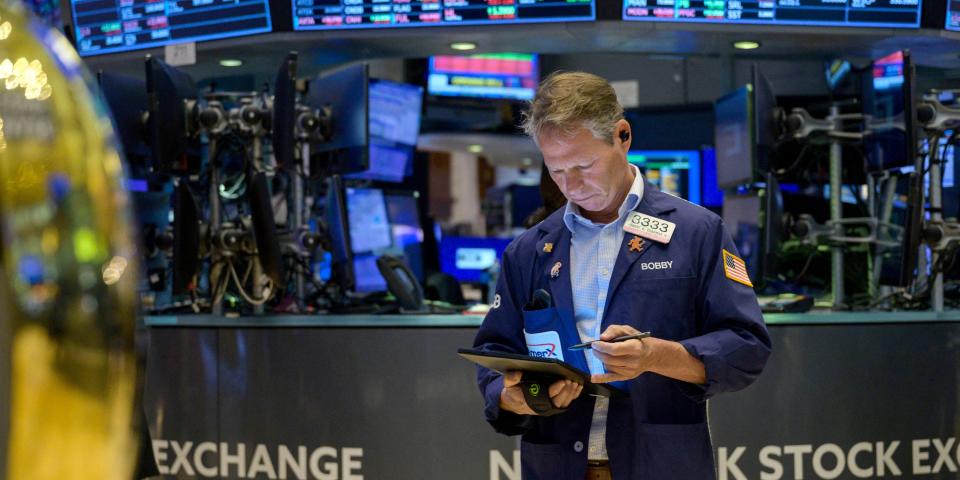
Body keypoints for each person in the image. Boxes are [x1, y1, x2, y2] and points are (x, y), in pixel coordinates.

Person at [472, 71, 772, 480]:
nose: (571, 186)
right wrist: (514, 397)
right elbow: (494, 356)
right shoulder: (528, 251)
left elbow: (747, 348)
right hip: (558, 464)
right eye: (556, 170)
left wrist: (656, 356)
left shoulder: (696, 232)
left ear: (622, 136)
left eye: (584, 165)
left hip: (660, 464)